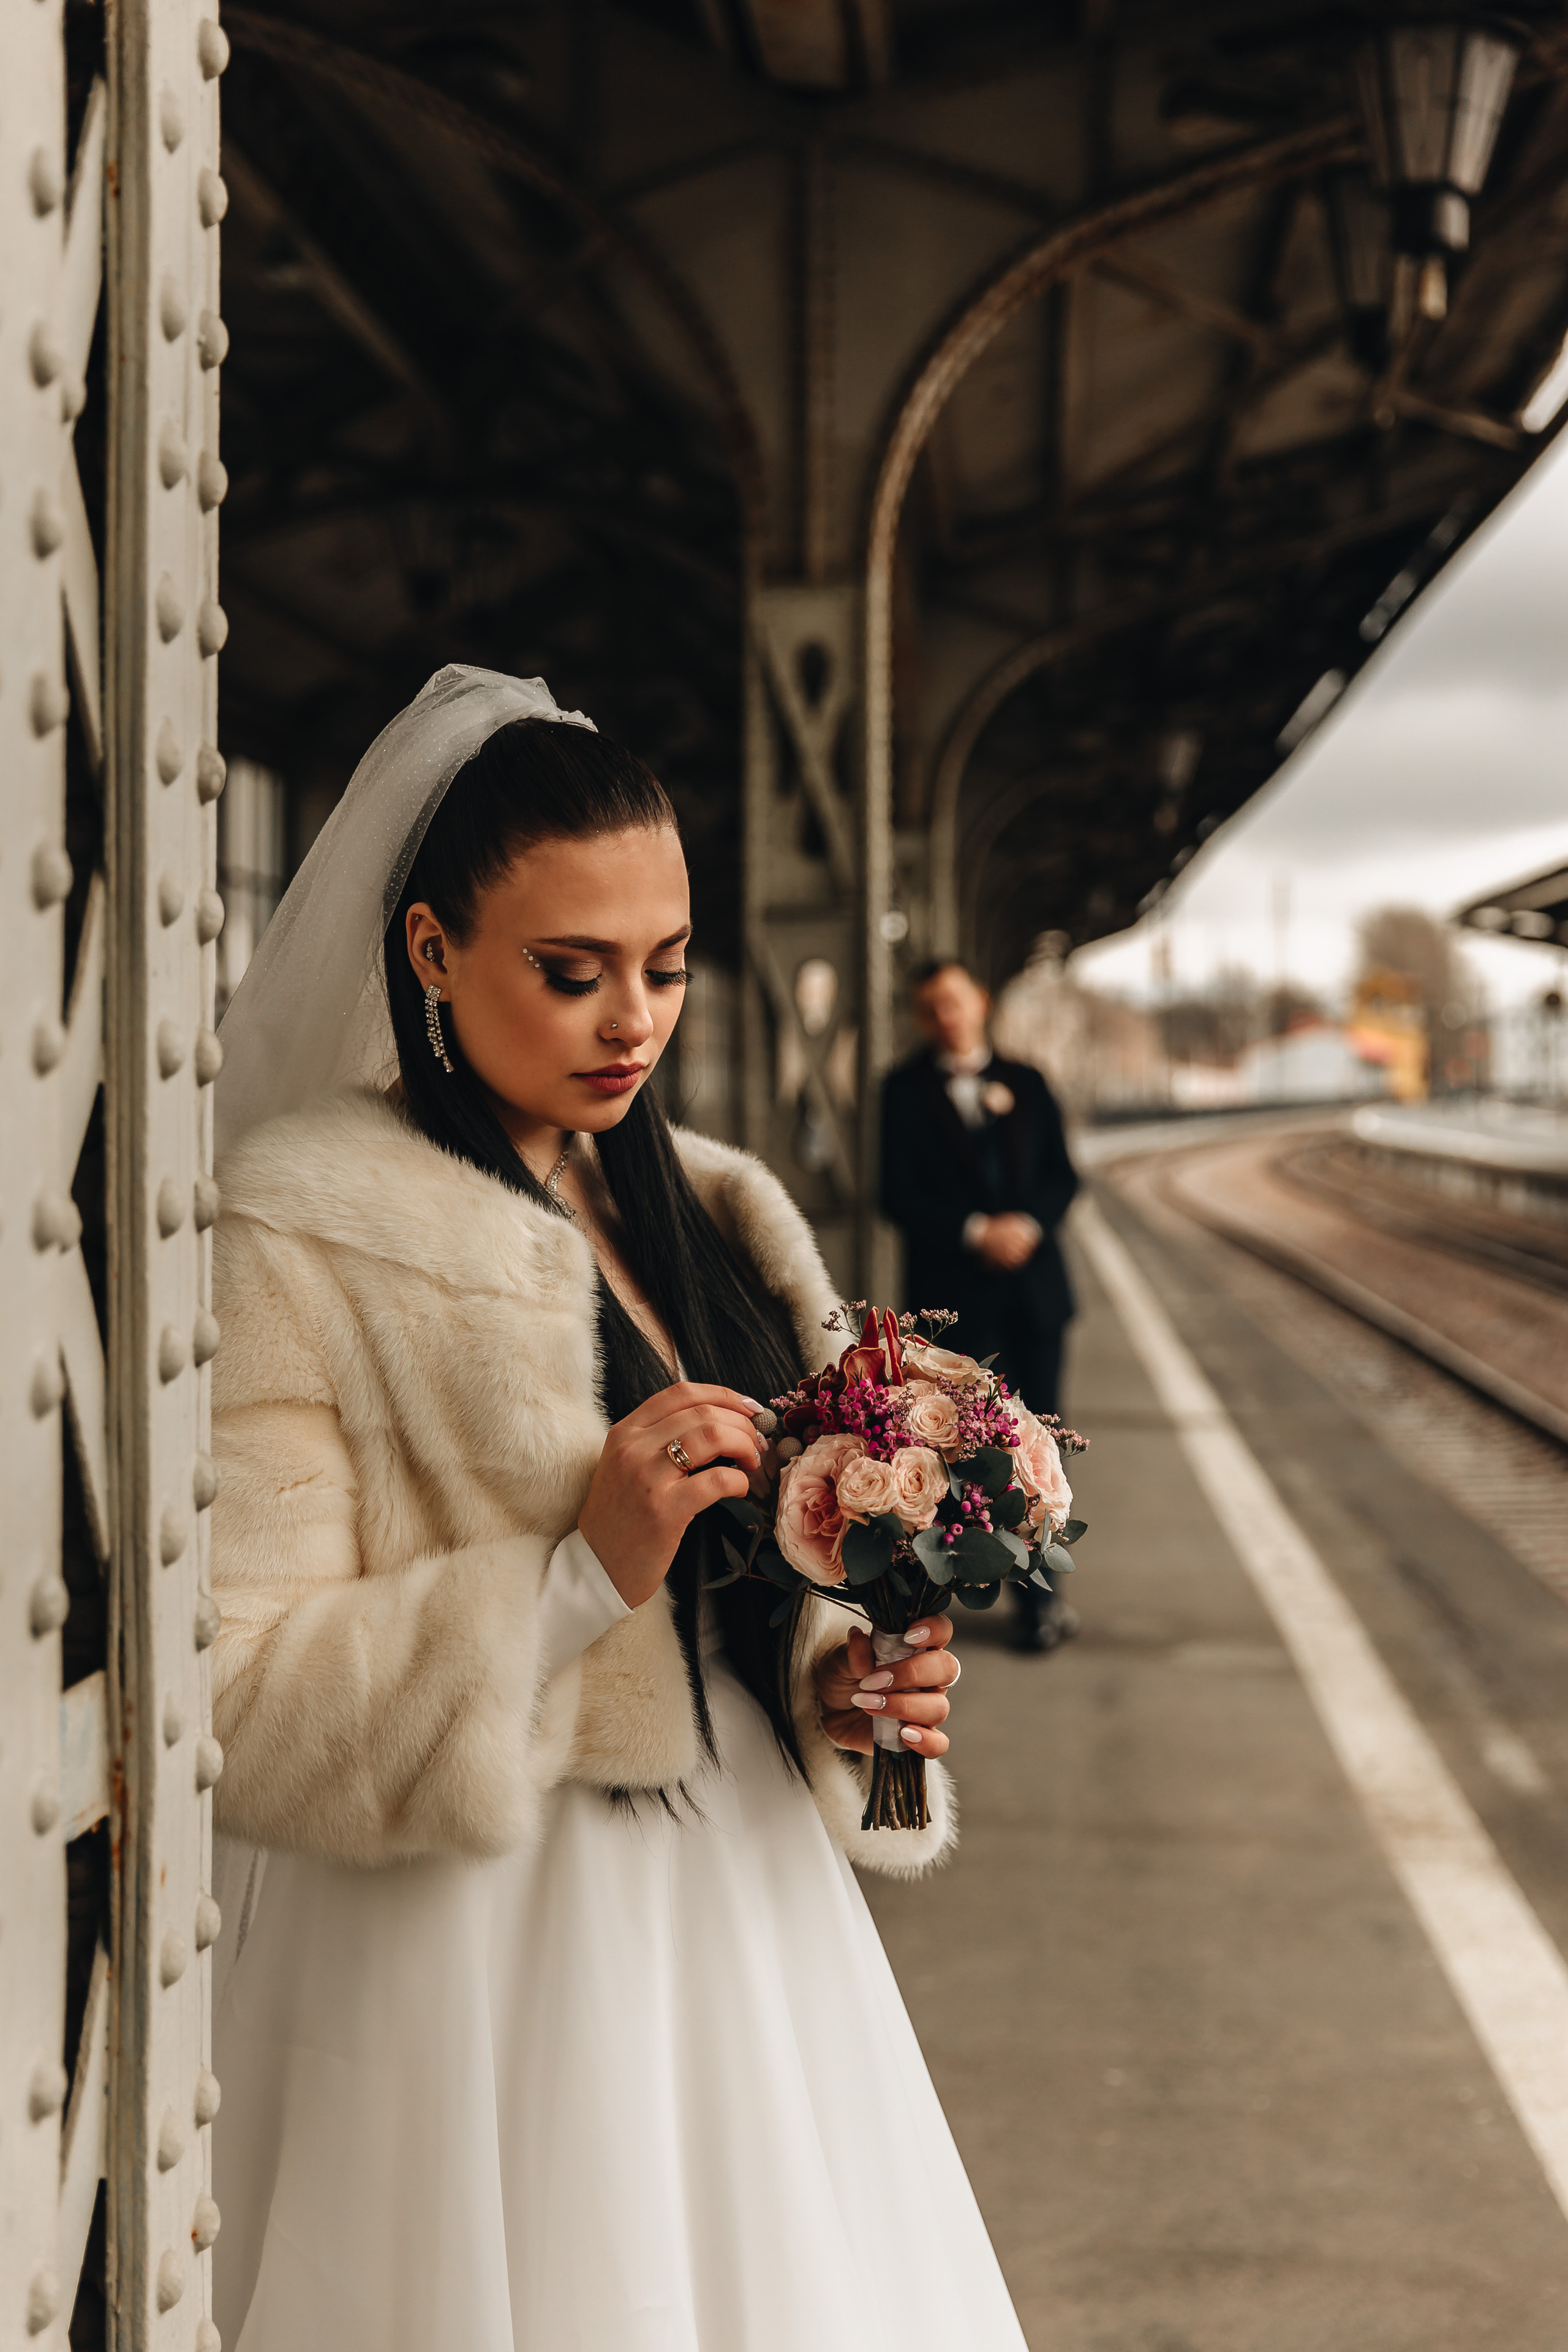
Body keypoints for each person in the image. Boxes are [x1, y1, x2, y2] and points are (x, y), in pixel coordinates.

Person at [205, 668, 1028, 2352]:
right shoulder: (305, 1233)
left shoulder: (718, 1214)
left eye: (661, 968)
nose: (631, 1023)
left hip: (742, 1925)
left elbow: (756, 1608)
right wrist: (578, 1576)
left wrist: (848, 1692)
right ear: (429, 951)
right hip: (460, 1951)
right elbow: (242, 1700)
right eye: (569, 974)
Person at [880, 957, 1079, 1654]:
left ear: (981, 1002)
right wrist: (975, 1232)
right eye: (931, 1006)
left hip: (1036, 1295)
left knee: (1042, 1454)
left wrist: (1025, 1225)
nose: (946, 1016)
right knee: (960, 1455)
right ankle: (941, 1598)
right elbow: (894, 1192)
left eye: (955, 1001)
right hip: (956, 1303)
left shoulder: (1028, 1082)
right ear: (919, 1016)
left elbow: (1062, 1174)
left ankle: (1039, 1608)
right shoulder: (901, 1090)